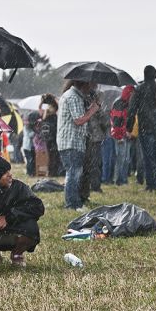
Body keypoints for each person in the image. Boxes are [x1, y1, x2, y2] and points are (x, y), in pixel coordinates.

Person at [57, 80, 100, 212]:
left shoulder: (72, 95)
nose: (92, 87)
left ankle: (75, 202)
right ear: (84, 84)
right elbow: (79, 120)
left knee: (75, 172)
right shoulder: (73, 97)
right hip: (71, 142)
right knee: (73, 173)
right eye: (90, 84)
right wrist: (92, 110)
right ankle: (72, 204)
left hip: (72, 141)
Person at [126, 65, 156, 191]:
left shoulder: (139, 90)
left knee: (147, 157)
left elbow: (131, 109)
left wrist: (129, 127)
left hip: (145, 126)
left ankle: (151, 184)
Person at [82, 87, 109, 194]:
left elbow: (105, 122)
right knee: (94, 163)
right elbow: (105, 122)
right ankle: (94, 186)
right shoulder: (91, 107)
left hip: (91, 138)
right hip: (92, 138)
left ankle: (93, 186)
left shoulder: (89, 106)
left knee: (93, 164)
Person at [110, 85, 135, 186]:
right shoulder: (119, 103)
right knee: (121, 158)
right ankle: (119, 180)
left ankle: (123, 179)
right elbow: (116, 120)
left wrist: (129, 131)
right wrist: (119, 135)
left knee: (126, 158)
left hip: (126, 134)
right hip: (120, 134)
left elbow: (131, 118)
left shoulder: (129, 103)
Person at [40, 94, 63, 177]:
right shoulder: (54, 117)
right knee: (54, 156)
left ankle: (51, 172)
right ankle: (53, 172)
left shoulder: (46, 117)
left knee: (51, 156)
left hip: (49, 138)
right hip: (53, 138)